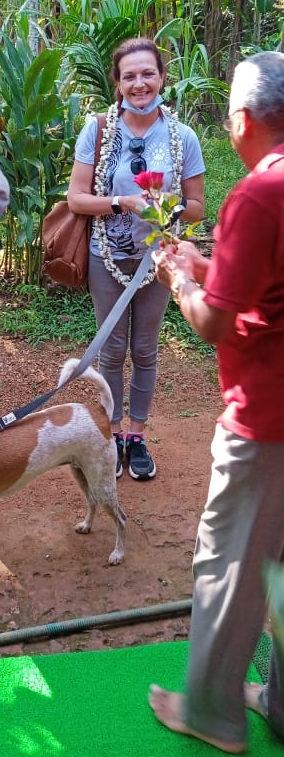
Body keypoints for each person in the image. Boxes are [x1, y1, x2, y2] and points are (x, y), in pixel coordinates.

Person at [150, 50, 284, 752]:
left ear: (242, 120)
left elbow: (215, 323)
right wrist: (207, 267)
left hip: (266, 414)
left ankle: (211, 712)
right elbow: (262, 288)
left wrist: (180, 280)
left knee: (229, 559)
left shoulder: (259, 194)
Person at [67, 37, 205, 480]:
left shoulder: (182, 137)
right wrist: (122, 202)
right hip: (105, 255)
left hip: (157, 260)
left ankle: (137, 436)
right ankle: (111, 436)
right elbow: (76, 199)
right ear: (118, 82)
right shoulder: (99, 130)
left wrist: (167, 206)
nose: (140, 83)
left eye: (148, 73)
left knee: (145, 349)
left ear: (162, 77)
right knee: (111, 350)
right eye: (130, 76)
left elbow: (197, 206)